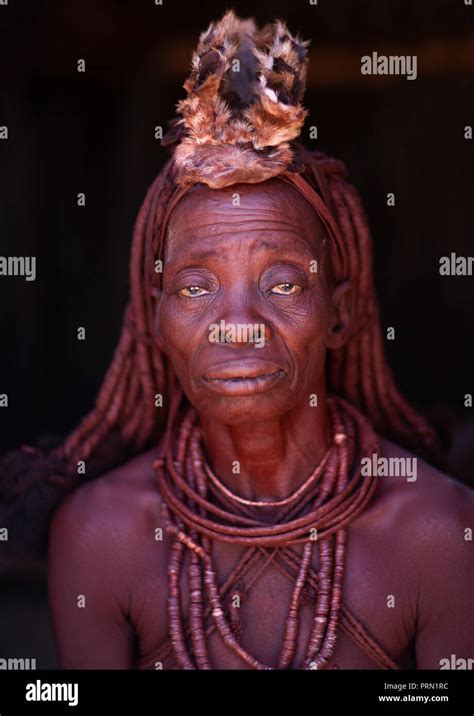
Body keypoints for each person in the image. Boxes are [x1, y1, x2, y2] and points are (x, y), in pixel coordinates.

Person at [36, 11, 474, 669]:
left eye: (284, 284)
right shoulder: (102, 537)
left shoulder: (437, 534)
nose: (237, 323)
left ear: (341, 312)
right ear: (155, 319)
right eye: (194, 288)